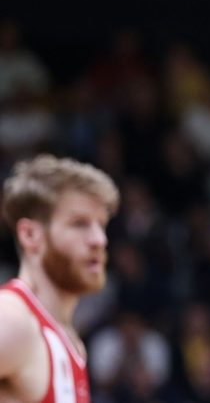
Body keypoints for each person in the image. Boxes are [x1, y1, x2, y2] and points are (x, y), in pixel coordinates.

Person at [0, 155, 120, 403]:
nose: (99, 240)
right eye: (79, 224)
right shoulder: (13, 320)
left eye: (101, 225)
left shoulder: (66, 337)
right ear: (30, 235)